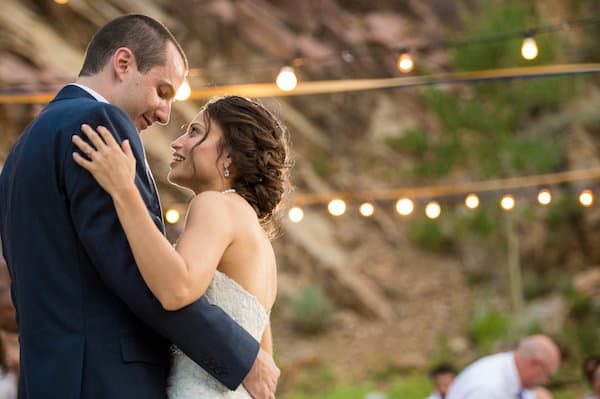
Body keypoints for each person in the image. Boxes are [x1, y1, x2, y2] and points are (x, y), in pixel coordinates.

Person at [0, 14, 278, 399]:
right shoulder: (98, 124)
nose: (165, 115)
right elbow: (139, 274)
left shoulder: (23, 148)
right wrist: (242, 355)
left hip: (45, 378)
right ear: (124, 63)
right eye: (163, 91)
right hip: (105, 380)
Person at [71, 94, 290, 397]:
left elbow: (177, 289)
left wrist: (124, 190)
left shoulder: (214, 204)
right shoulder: (259, 240)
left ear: (230, 157)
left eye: (195, 132)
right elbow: (262, 368)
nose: (177, 142)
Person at [445, 335, 561, 399]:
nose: (546, 382)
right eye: (548, 376)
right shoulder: (487, 390)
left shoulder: (511, 369)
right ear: (535, 364)